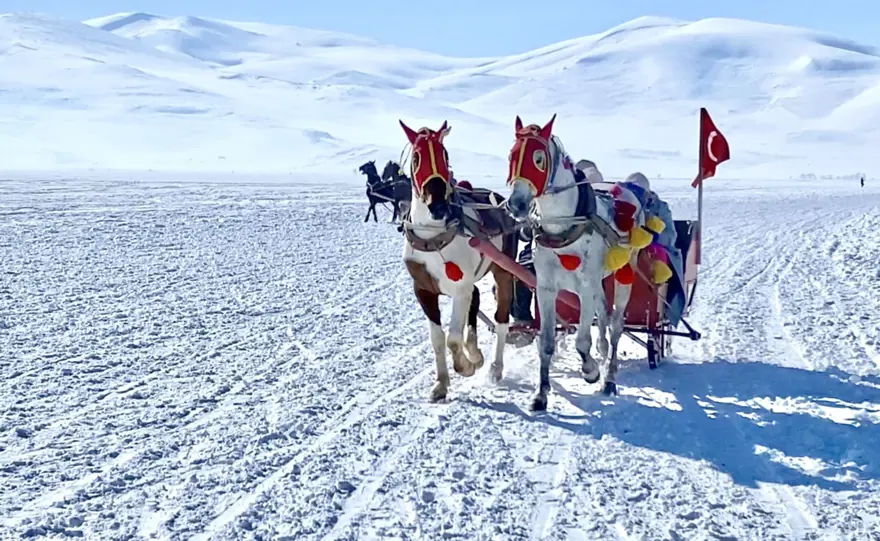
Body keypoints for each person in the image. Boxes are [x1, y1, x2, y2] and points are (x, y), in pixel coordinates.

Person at [624, 172, 686, 327]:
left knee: (654, 257)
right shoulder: (620, 203)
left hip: (654, 252)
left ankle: (655, 303)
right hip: (626, 248)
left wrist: (654, 236)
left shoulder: (660, 208)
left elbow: (670, 235)